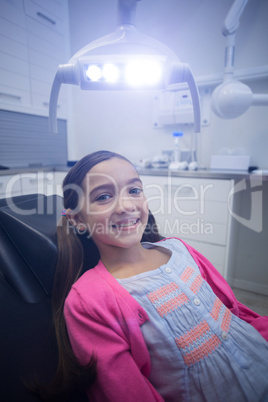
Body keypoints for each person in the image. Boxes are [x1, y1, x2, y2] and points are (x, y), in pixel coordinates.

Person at [50, 150, 268, 402]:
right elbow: (125, 391)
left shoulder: (179, 249)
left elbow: (232, 313)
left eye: (134, 191)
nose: (127, 206)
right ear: (77, 219)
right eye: (104, 196)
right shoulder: (88, 300)